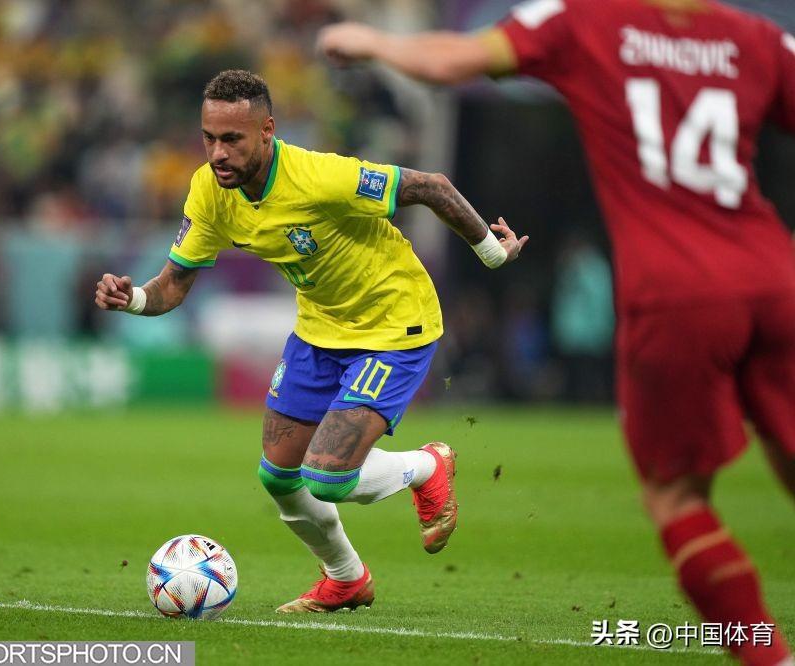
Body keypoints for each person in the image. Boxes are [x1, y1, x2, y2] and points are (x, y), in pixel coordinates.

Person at [316, 0, 795, 662]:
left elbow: (453, 60)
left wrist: (372, 41)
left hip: (677, 290)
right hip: (775, 275)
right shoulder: (756, 36)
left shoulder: (588, 22)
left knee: (677, 496)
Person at [95, 69, 528, 613]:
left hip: (394, 324)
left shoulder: (321, 177)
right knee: (279, 475)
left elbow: (432, 187)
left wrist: (491, 252)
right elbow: (173, 285)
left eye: (232, 139)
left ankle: (426, 466)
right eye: (209, 138)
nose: (218, 153)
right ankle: (346, 579)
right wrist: (133, 297)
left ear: (267, 130)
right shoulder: (209, 190)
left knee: (326, 476)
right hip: (319, 329)